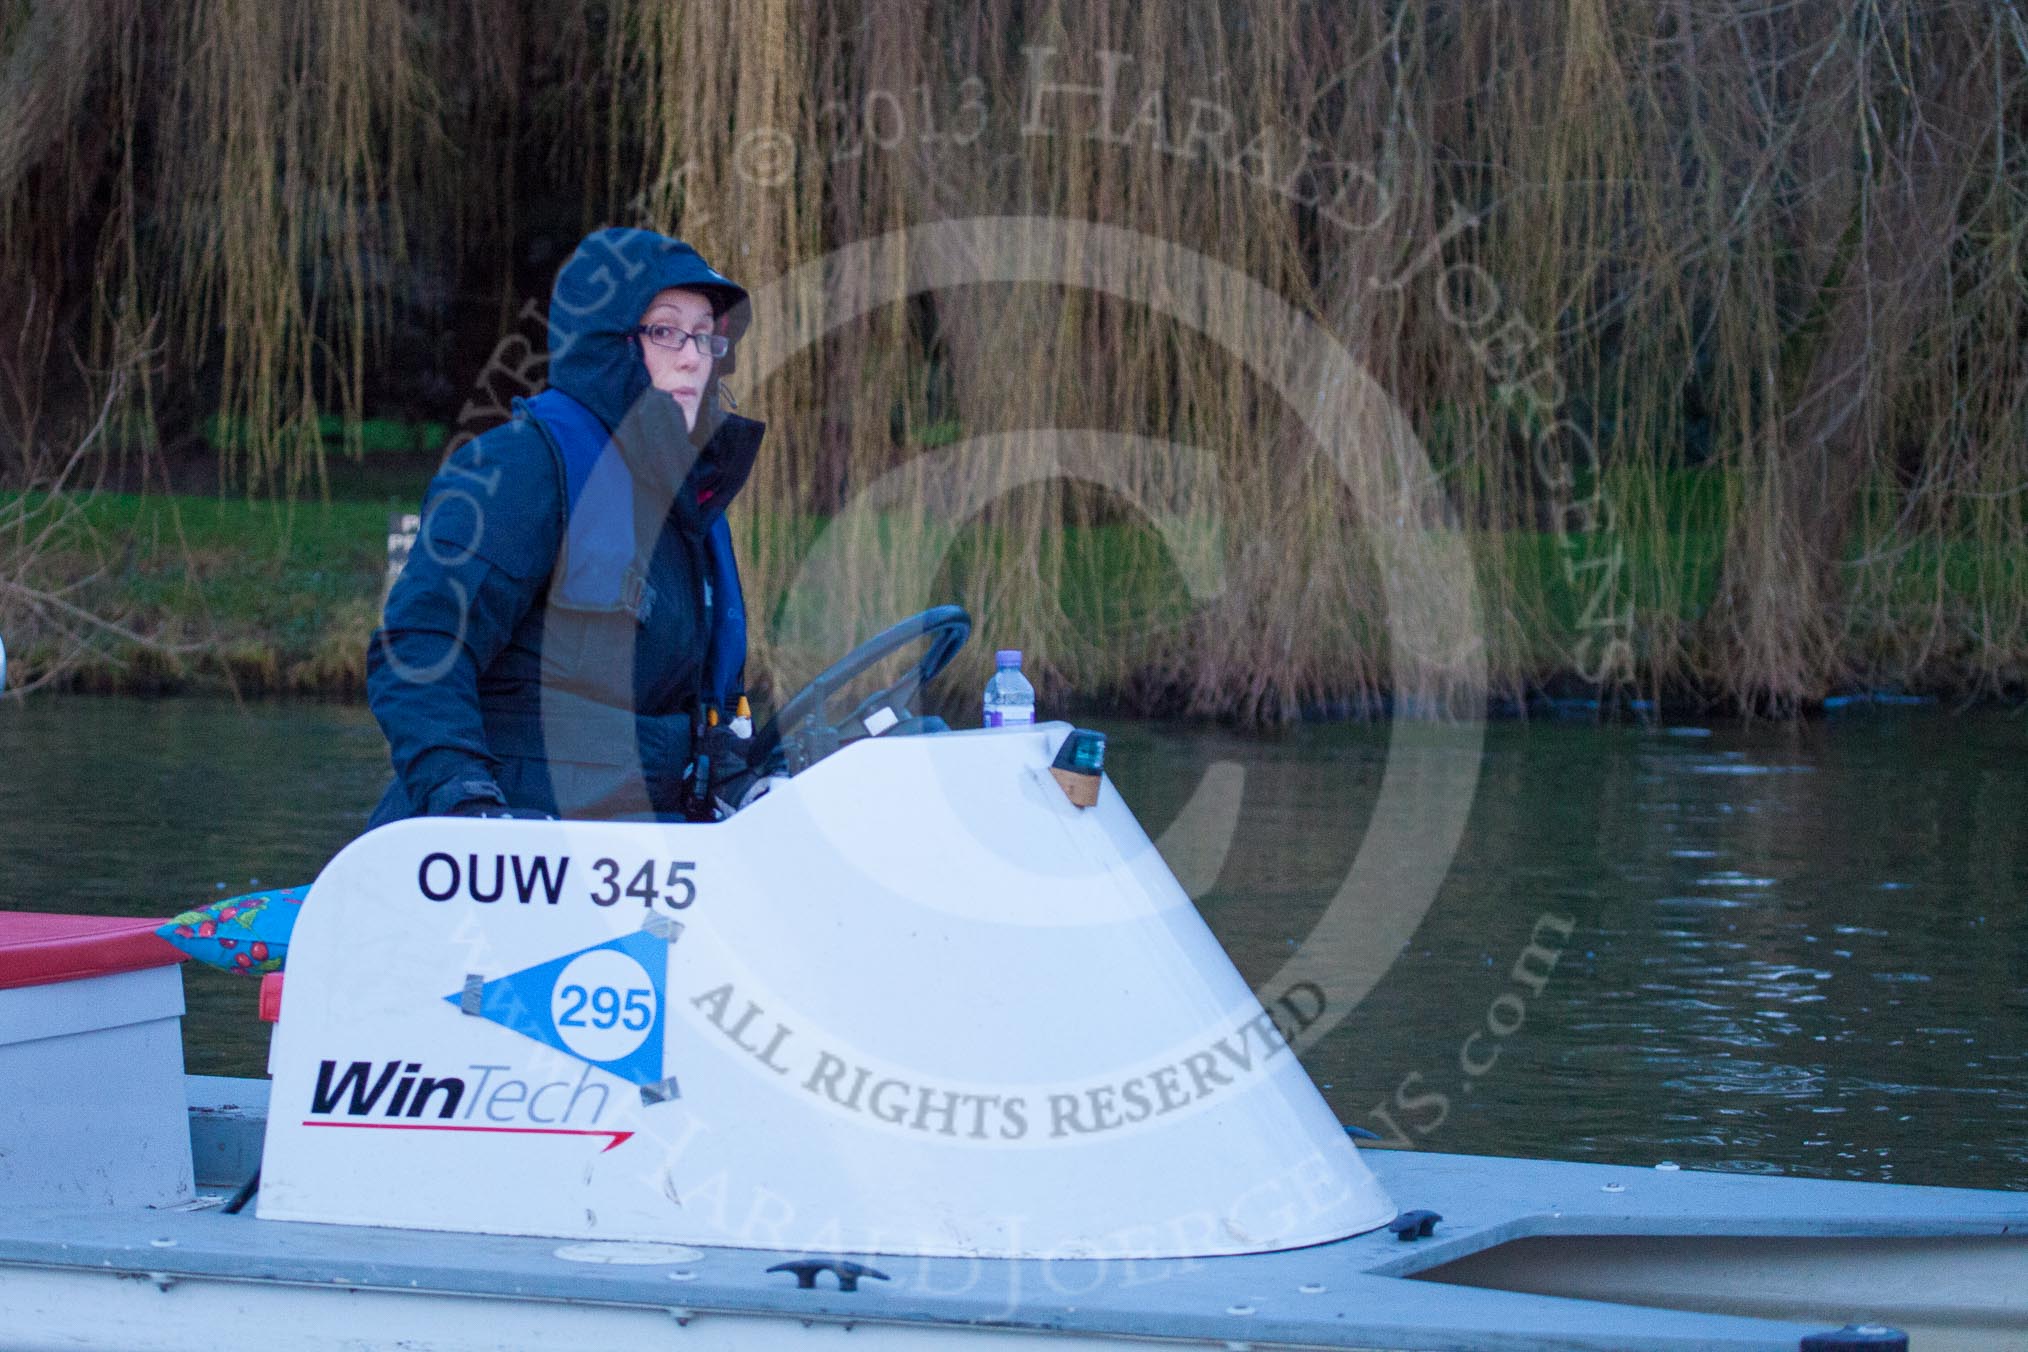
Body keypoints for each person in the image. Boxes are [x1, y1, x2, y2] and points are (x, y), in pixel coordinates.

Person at [365, 227, 763, 825]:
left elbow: (698, 713)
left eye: (705, 336)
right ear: (611, 346)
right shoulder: (521, 468)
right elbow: (421, 648)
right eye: (665, 330)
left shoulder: (694, 513)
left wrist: (760, 784)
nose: (692, 355)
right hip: (498, 860)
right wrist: (467, 805)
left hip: (635, 857)